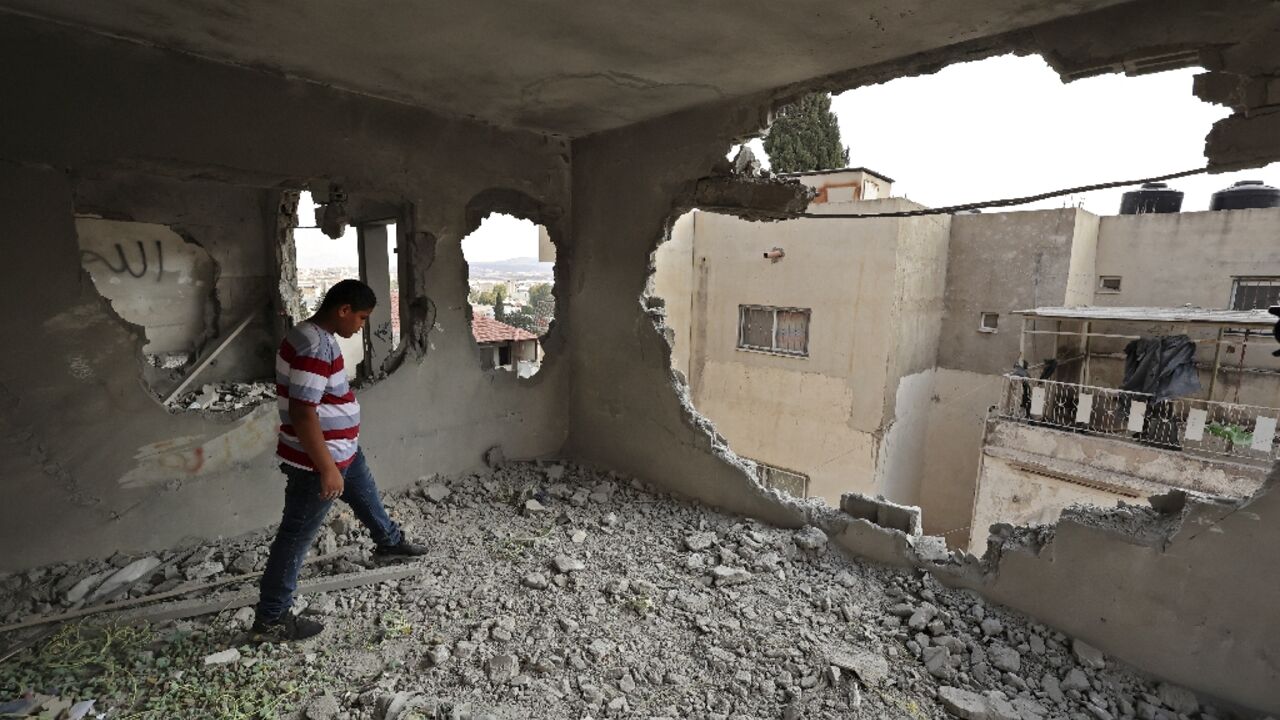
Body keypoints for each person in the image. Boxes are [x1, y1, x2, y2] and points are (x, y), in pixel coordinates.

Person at [252, 279, 426, 642]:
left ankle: (389, 542)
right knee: (296, 537)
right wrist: (327, 468)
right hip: (319, 461)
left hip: (343, 451)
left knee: (366, 495)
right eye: (361, 318)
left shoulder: (307, 333)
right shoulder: (316, 346)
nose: (361, 326)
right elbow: (303, 413)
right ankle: (271, 618)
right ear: (342, 310)